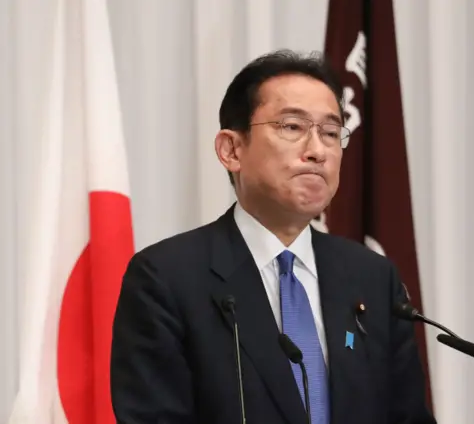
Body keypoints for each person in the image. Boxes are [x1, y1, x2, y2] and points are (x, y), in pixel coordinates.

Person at [110, 49, 436, 424]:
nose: (317, 151)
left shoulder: (374, 279)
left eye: (331, 133)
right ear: (232, 149)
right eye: (292, 127)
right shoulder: (166, 278)